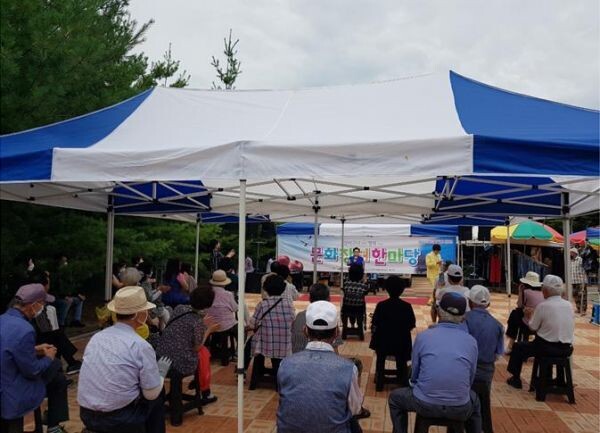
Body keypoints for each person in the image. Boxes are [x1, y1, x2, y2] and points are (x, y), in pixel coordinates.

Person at [78, 286, 172, 433]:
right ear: (138, 314)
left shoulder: (97, 337)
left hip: (87, 414)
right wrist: (160, 372)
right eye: (145, 311)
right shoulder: (140, 345)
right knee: (157, 394)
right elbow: (151, 394)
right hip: (119, 419)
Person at [388, 292, 481, 433]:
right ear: (463, 317)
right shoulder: (471, 342)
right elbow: (470, 377)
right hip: (459, 406)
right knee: (475, 402)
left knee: (395, 398)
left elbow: (415, 373)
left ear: (438, 311)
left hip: (424, 403)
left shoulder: (423, 337)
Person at [277, 301, 365, 433]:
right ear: (337, 332)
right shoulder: (348, 368)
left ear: (305, 330)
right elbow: (356, 409)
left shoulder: (285, 364)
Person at [1, 284, 70, 433]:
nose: (43, 307)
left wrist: (35, 350)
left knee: (57, 377)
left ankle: (51, 424)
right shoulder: (25, 329)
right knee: (56, 369)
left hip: (6, 377)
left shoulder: (3, 319)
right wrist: (48, 357)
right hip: (13, 388)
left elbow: (8, 349)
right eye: (43, 303)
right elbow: (32, 371)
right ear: (33, 305)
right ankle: (52, 425)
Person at [506, 275, 575, 389]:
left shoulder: (543, 306)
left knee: (518, 347)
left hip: (546, 347)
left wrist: (530, 315)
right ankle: (553, 378)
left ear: (546, 290)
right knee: (544, 342)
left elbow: (533, 327)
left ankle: (515, 379)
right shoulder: (568, 305)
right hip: (567, 348)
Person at [155, 287, 220, 404]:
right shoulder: (197, 321)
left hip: (161, 357)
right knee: (203, 353)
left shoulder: (179, 308)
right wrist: (209, 330)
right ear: (208, 304)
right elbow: (197, 347)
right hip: (180, 364)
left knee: (203, 354)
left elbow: (177, 328)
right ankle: (204, 388)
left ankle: (202, 388)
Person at [464, 285, 504, 433]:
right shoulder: (497, 325)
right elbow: (498, 353)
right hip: (486, 373)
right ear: (488, 304)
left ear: (470, 302)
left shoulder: (464, 320)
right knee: (484, 400)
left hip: (466, 371)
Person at [31, 271, 82, 375]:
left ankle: (63, 367)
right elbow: (44, 325)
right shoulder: (35, 300)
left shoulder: (30, 296)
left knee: (56, 333)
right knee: (56, 334)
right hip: (34, 336)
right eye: (48, 283)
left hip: (36, 332)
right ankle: (68, 364)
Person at [248, 275, 295, 388]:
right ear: (283, 288)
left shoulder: (262, 305)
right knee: (277, 361)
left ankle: (254, 380)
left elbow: (252, 324)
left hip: (264, 343)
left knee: (254, 343)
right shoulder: (289, 305)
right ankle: (278, 382)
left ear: (265, 288)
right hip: (284, 343)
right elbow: (292, 322)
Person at [370, 276, 416, 388]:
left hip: (382, 343)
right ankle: (402, 378)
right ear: (402, 290)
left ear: (386, 289)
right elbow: (411, 324)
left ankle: (380, 382)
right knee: (401, 356)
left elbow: (375, 323)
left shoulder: (381, 305)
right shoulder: (407, 306)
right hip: (402, 344)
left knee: (380, 356)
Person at [505, 271, 544, 353]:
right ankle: (511, 344)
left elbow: (519, 305)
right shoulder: (542, 293)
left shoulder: (526, 292)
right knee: (516, 314)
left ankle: (511, 343)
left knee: (514, 314)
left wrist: (520, 291)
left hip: (529, 321)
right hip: (540, 320)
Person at [206, 270, 239, 365]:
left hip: (210, 324)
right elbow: (235, 308)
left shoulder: (208, 293)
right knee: (241, 331)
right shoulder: (228, 294)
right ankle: (237, 353)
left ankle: (215, 350)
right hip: (227, 325)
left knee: (217, 333)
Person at [53, 254, 86, 327]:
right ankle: (61, 323)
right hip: (58, 298)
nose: (65, 263)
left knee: (79, 300)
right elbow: (55, 290)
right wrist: (65, 297)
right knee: (67, 302)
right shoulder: (56, 275)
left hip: (67, 296)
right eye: (63, 261)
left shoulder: (67, 275)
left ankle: (76, 320)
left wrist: (78, 295)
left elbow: (71, 288)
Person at [341, 263, 369, 333]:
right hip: (359, 308)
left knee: (348, 305)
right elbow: (366, 293)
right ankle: (359, 326)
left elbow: (344, 290)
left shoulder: (346, 283)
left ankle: (351, 325)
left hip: (347, 308)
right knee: (359, 306)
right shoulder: (363, 285)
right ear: (361, 274)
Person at [570, 247, 588, 315]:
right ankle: (578, 308)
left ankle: (583, 310)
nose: (570, 254)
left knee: (582, 295)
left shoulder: (580, 259)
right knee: (575, 295)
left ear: (574, 253)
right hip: (573, 281)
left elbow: (586, 268)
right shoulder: (570, 261)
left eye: (571, 252)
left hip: (581, 280)